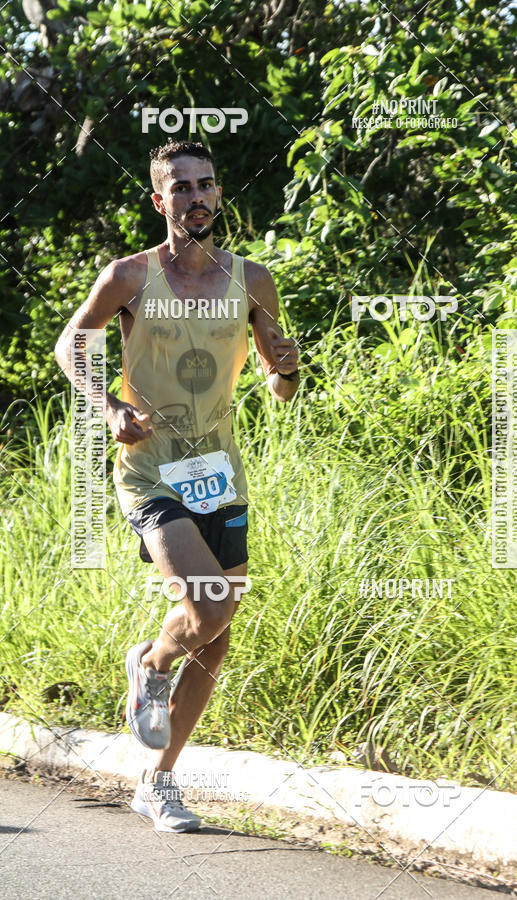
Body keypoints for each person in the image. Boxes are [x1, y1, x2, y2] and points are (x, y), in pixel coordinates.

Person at [55, 140, 300, 832]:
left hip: (220, 471)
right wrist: (108, 407)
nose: (196, 197)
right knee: (210, 602)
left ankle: (157, 781)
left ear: (219, 195)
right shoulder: (129, 277)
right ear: (160, 202)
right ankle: (153, 662)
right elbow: (72, 341)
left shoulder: (252, 280)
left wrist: (286, 367)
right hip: (150, 470)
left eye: (206, 185)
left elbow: (279, 387)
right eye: (181, 188)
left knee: (214, 634)